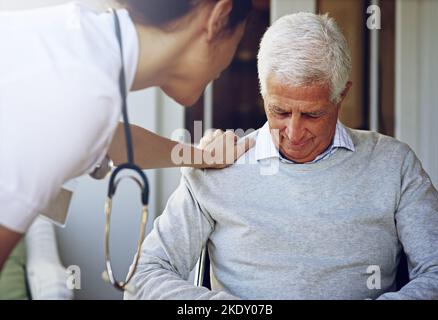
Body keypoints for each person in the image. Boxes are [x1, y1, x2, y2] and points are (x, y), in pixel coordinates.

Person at [124, 12, 438, 300]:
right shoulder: (217, 165)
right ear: (263, 92)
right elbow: (142, 278)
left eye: (311, 115)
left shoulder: (393, 164)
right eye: (279, 111)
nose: (293, 133)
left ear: (342, 95)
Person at [0, 0, 254, 269]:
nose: (227, 63)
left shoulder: (81, 44)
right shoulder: (80, 92)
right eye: (238, 40)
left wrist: (201, 157)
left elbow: (114, 140)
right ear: (219, 17)